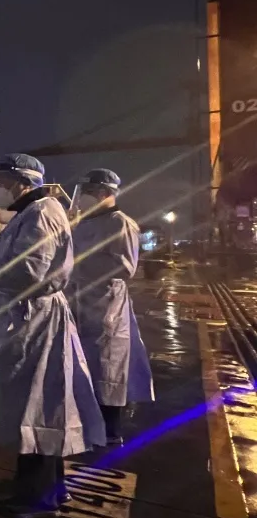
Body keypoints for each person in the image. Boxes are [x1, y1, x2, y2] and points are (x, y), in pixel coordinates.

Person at [0, 153, 105, 516]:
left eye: (1, 182)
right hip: (30, 320)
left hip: (34, 322)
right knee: (41, 404)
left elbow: (29, 272)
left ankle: (35, 496)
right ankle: (49, 488)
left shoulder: (41, 213)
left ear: (22, 182)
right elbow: (5, 251)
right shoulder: (32, 212)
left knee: (35, 405)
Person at [69, 168, 155, 444]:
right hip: (81, 302)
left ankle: (110, 430)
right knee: (85, 365)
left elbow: (125, 267)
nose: (82, 197)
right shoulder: (83, 223)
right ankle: (89, 425)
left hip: (106, 306)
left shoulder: (120, 223)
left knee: (108, 366)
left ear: (105, 193)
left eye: (88, 192)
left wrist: (77, 265)